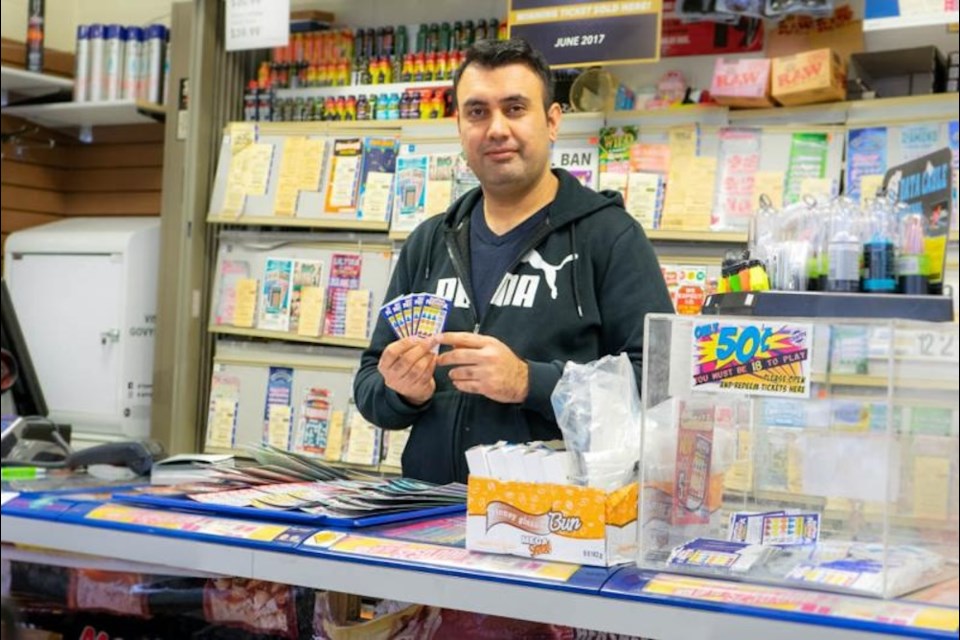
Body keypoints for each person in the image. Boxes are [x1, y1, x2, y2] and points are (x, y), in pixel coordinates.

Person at [354, 38, 673, 484]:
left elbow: (659, 387)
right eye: (478, 112)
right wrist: (402, 392)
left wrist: (530, 382)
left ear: (552, 120)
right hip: (428, 515)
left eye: (515, 108)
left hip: (553, 521)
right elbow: (370, 384)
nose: (496, 128)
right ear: (460, 125)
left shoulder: (611, 237)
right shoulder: (430, 241)